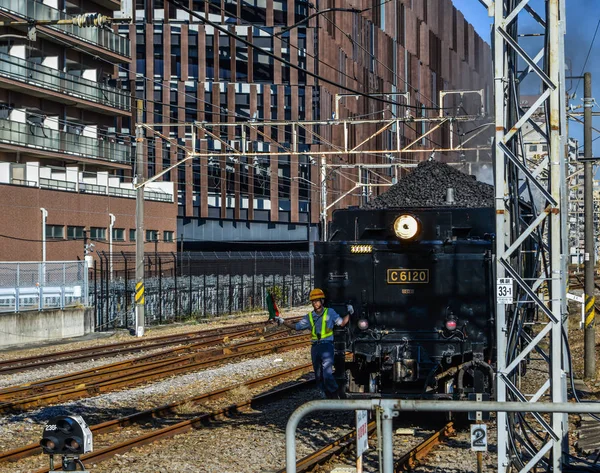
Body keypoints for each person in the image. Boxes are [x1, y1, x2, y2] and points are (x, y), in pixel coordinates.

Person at [275, 288, 353, 398]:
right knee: (318, 375)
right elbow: (297, 327)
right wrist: (283, 322)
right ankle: (326, 394)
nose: (315, 303)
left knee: (327, 373)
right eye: (313, 301)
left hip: (327, 346)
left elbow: (342, 323)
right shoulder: (309, 317)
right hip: (315, 347)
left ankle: (335, 392)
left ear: (322, 301)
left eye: (317, 300)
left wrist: (350, 313)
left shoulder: (330, 312)